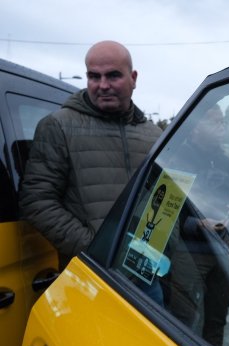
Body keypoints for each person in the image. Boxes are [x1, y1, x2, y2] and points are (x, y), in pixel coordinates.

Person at [19, 40, 162, 270]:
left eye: (113, 75)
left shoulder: (154, 135)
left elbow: (163, 200)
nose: (102, 85)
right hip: (91, 275)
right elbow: (37, 201)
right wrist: (96, 250)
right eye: (94, 76)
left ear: (133, 78)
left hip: (147, 272)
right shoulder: (59, 126)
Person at [166, 104, 229, 346]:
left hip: (222, 249)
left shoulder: (226, 162)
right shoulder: (176, 160)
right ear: (196, 126)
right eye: (214, 122)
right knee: (182, 319)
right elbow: (167, 213)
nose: (222, 127)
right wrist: (198, 224)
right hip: (189, 253)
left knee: (217, 319)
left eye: (223, 122)